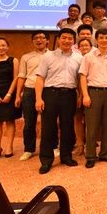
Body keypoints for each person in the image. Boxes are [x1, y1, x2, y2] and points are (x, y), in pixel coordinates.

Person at [35, 28, 82, 174]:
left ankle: (66, 156)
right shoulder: (47, 57)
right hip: (51, 94)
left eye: (70, 38)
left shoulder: (79, 57)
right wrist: (38, 98)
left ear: (74, 41)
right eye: (64, 38)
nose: (67, 41)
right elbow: (40, 78)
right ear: (59, 39)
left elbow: (80, 79)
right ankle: (46, 160)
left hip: (70, 95)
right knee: (48, 128)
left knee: (68, 127)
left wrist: (80, 95)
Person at [79, 29, 107, 168]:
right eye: (101, 37)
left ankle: (105, 154)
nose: (104, 40)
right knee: (92, 126)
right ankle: (91, 156)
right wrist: (85, 95)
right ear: (96, 40)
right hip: (94, 92)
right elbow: (83, 76)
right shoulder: (88, 57)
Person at [15, 31, 49, 161]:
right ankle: (29, 149)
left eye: (42, 38)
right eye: (36, 38)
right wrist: (18, 95)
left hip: (47, 90)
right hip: (29, 90)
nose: (39, 40)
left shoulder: (53, 55)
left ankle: (51, 146)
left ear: (47, 40)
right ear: (32, 41)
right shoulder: (26, 57)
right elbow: (21, 76)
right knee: (29, 122)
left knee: (49, 121)